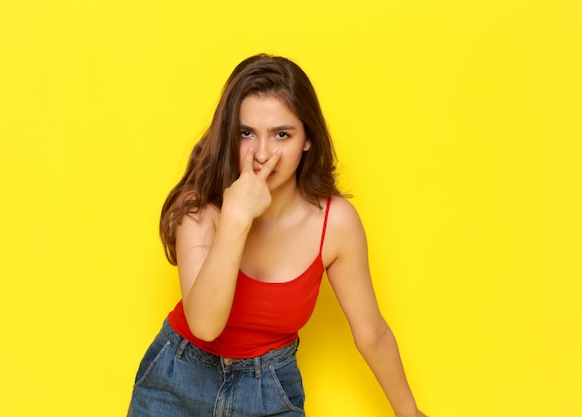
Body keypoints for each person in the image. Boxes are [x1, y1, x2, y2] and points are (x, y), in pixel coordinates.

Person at [127, 54, 428, 417]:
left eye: (281, 134)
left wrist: (408, 411)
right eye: (246, 133)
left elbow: (372, 332)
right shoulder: (200, 207)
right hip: (178, 381)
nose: (262, 154)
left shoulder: (335, 224)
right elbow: (205, 326)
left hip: (268, 391)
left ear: (307, 140)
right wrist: (236, 217)